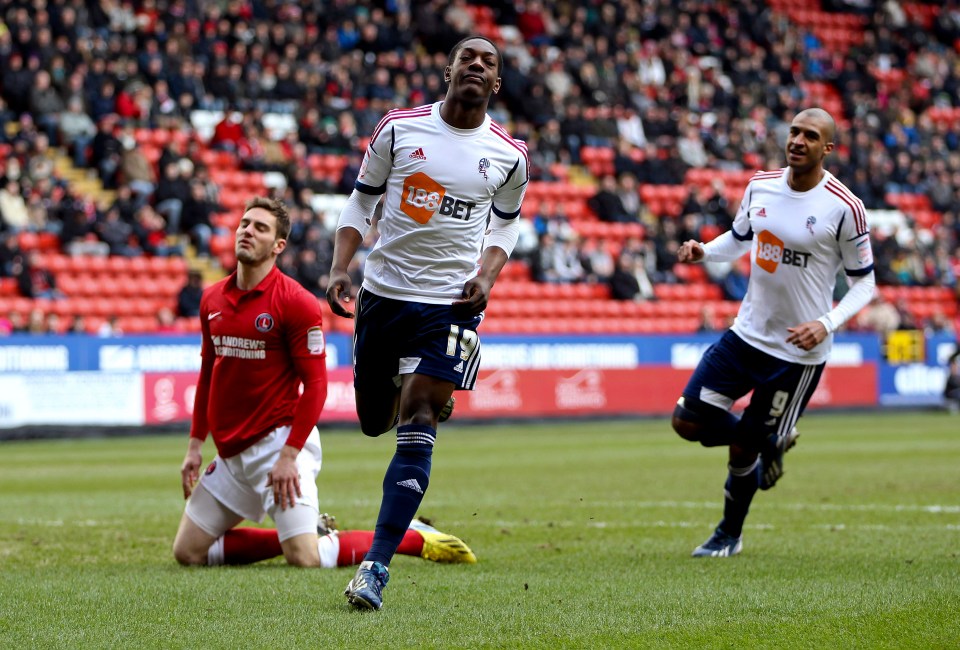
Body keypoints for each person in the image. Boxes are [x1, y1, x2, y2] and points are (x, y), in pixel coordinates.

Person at [326, 35, 527, 610]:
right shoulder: (399, 128)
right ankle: (414, 390)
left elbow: (506, 227)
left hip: (451, 303)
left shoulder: (509, 156)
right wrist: (342, 267)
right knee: (372, 421)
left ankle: (375, 567)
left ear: (496, 84)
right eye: (469, 57)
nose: (478, 65)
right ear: (449, 69)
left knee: (417, 417)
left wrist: (486, 277)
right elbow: (362, 201)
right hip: (384, 294)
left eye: (489, 62)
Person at [671, 108, 877, 558]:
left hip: (796, 355)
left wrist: (825, 323)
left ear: (828, 148)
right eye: (794, 132)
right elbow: (740, 237)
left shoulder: (845, 207)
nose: (798, 141)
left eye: (810, 136)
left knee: (741, 451)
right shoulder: (760, 185)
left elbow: (866, 282)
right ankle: (772, 439)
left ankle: (729, 533)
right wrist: (704, 251)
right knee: (686, 421)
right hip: (745, 335)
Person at [172, 196, 330, 569]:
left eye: (260, 227)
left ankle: (413, 537)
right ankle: (303, 531)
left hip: (279, 444)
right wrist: (195, 446)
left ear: (278, 245)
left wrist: (290, 456)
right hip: (231, 454)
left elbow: (317, 386)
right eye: (245, 223)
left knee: (305, 558)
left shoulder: (297, 302)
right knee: (188, 552)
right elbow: (209, 374)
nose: (247, 231)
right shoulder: (212, 298)